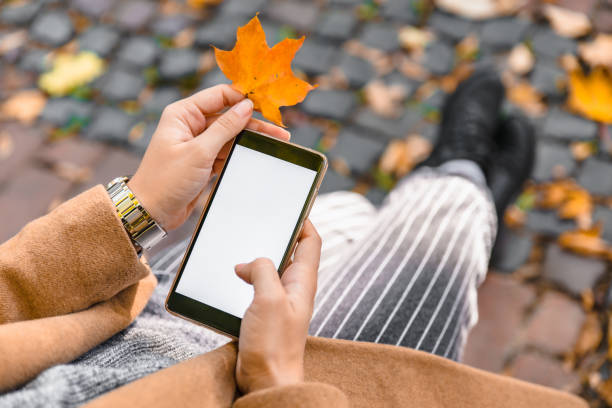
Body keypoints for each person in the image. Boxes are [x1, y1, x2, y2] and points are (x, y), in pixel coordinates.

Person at [0, 70, 586, 408]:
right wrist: (276, 379)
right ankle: (464, 176)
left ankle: (464, 183)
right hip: (264, 383)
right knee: (445, 232)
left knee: (343, 213)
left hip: (140, 317)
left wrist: (138, 207)